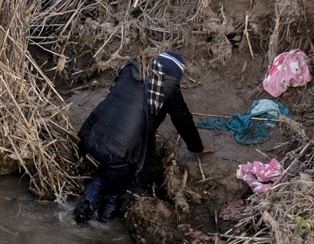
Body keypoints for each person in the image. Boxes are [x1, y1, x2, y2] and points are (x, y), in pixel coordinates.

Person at [73, 50, 211, 224]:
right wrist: (197, 147)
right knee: (113, 195)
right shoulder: (167, 87)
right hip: (118, 150)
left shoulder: (130, 70)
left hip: (91, 136)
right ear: (175, 73)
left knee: (109, 165)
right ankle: (102, 230)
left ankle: (87, 204)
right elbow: (183, 120)